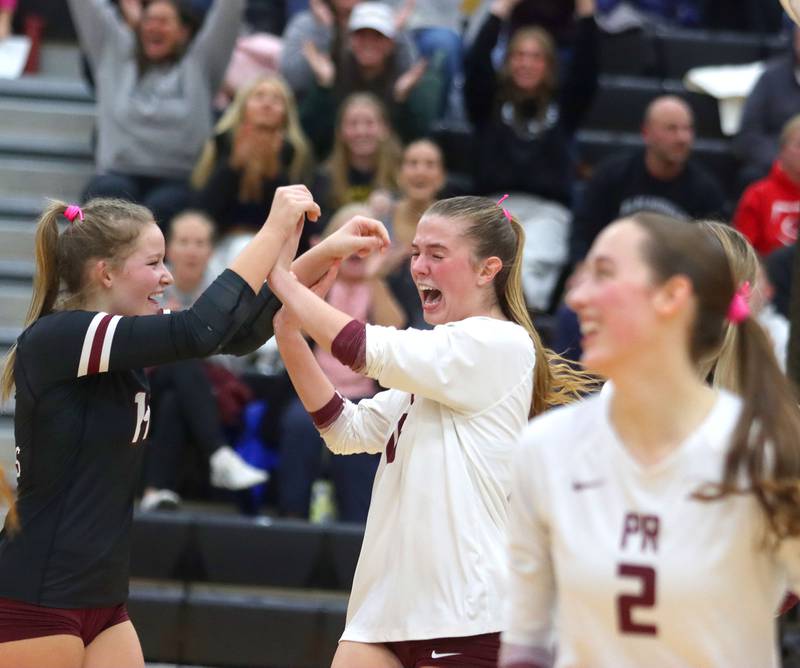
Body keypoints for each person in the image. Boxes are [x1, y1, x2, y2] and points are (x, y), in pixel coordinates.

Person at [0, 187, 388, 668]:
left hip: (102, 599)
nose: (166, 276)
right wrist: (273, 227)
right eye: (154, 263)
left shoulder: (117, 338)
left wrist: (323, 251)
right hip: (37, 595)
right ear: (106, 272)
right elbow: (201, 327)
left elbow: (237, 332)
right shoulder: (66, 335)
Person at [268, 195, 595, 667]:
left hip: (469, 615)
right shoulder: (440, 360)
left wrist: (282, 275)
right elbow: (346, 429)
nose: (418, 267)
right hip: (384, 612)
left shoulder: (500, 342)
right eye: (416, 252)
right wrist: (289, 332)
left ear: (488, 270)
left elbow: (365, 349)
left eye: (437, 255)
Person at [500, 213, 800, 668]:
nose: (576, 296)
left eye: (604, 274)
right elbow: (526, 644)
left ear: (673, 296)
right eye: (582, 275)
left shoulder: (764, 451)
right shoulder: (546, 447)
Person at [464, 0, 598, 311]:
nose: (527, 63)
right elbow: (475, 64)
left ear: (549, 65)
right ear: (508, 61)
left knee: (529, 267)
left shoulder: (565, 107)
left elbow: (587, 70)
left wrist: (587, 14)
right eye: (519, 55)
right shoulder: (486, 104)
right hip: (495, 206)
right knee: (492, 267)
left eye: (536, 57)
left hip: (548, 211)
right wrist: (499, 11)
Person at [278, 202, 406, 523]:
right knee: (296, 424)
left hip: (367, 394)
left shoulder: (387, 284)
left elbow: (397, 330)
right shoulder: (321, 281)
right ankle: (291, 516)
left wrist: (375, 278)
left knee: (365, 439)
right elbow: (300, 326)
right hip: (315, 389)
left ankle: (356, 524)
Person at [67, 0, 244, 228]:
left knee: (162, 207)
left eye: (164, 21)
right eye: (149, 20)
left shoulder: (202, 63)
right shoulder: (113, 53)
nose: (155, 27)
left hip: (178, 180)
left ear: (183, 32)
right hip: (118, 173)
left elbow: (229, 11)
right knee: (108, 196)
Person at [140, 211, 269, 511]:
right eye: (184, 242)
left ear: (210, 249)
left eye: (199, 242)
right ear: (169, 249)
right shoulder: (150, 284)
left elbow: (238, 356)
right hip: (148, 387)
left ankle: (154, 490)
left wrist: (184, 335)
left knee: (178, 385)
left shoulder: (223, 292)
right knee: (179, 354)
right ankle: (218, 455)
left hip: (210, 391)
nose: (192, 250)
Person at [569, 95, 727, 264]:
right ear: (646, 133)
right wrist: (582, 266)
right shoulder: (612, 175)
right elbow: (583, 232)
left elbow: (717, 252)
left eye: (688, 129)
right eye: (671, 129)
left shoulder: (705, 190)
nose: (683, 138)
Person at [192, 74, 316, 260]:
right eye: (259, 96)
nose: (267, 104)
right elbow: (200, 213)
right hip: (218, 246)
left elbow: (302, 222)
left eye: (276, 99)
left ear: (286, 112)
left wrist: (275, 172)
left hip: (278, 249)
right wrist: (233, 166)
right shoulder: (221, 142)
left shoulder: (296, 152)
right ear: (243, 106)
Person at [299, 1, 441, 159]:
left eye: (378, 37)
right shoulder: (333, 71)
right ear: (350, 40)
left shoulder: (406, 76)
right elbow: (311, 138)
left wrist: (402, 99)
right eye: (361, 36)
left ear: (391, 42)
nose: (368, 43)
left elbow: (418, 141)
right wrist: (323, 88)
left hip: (392, 168)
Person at [312, 92, 401, 218]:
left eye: (369, 123)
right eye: (353, 124)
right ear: (340, 131)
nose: (361, 131)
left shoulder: (401, 174)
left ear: (385, 129)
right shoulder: (324, 178)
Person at [734, 26, 800, 188]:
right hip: (774, 167)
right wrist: (784, 161)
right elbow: (749, 134)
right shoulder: (770, 78)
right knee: (751, 177)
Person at [734, 113, 800, 256]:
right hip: (769, 274)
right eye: (799, 145)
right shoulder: (758, 195)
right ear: (782, 150)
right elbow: (742, 254)